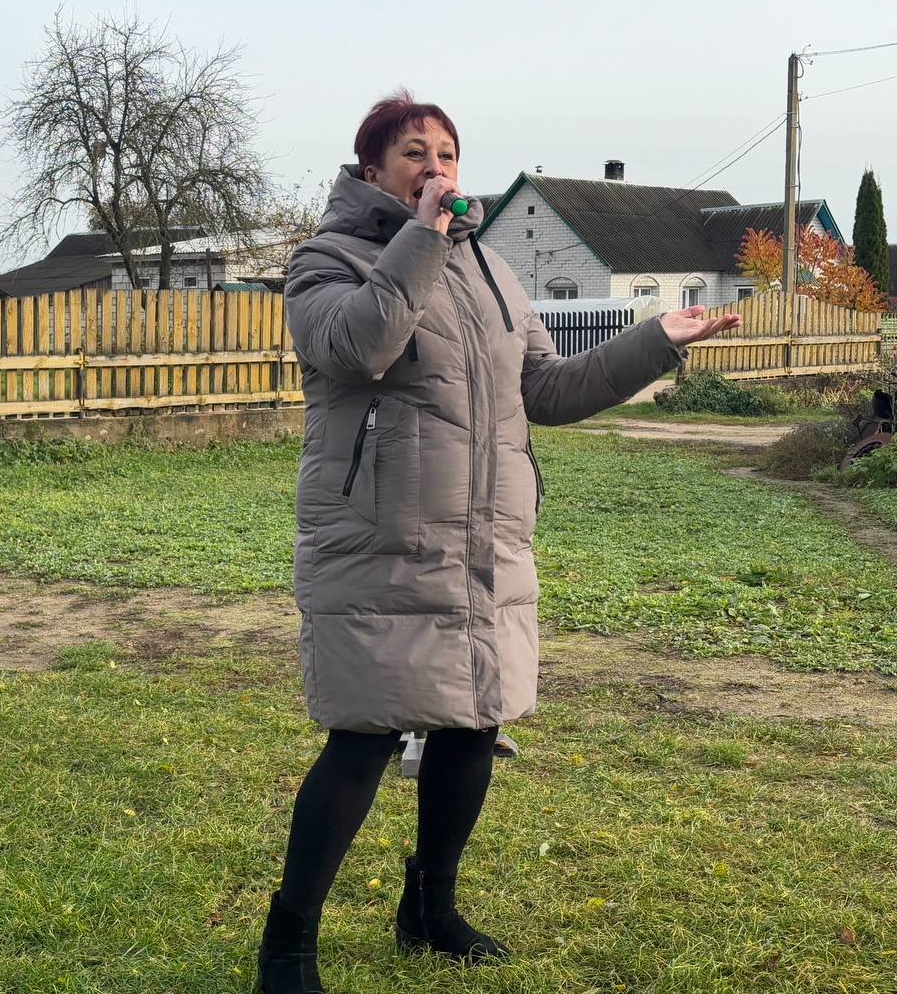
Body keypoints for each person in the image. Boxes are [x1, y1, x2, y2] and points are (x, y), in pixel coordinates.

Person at [254, 92, 740, 994]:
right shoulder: (326, 261)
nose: (435, 167)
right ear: (372, 170)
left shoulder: (489, 269)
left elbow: (545, 390)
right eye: (413, 152)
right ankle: (287, 946)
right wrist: (425, 236)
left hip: (484, 546)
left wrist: (655, 340)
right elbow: (360, 346)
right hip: (380, 543)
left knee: (473, 729)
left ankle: (429, 909)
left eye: (447, 152)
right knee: (361, 739)